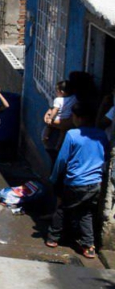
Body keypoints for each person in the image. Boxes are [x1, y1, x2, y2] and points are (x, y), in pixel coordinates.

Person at [45, 101, 109, 259]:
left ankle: (53, 237)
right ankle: (89, 246)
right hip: (94, 183)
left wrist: (54, 177)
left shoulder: (72, 135)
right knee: (85, 212)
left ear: (79, 118)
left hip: (75, 182)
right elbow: (106, 157)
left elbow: (62, 159)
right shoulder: (101, 135)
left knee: (63, 208)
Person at [42, 80, 71, 147]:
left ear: (62, 92)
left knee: (48, 127)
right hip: (66, 119)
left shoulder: (58, 100)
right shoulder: (73, 98)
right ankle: (58, 146)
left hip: (58, 119)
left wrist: (50, 118)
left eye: (57, 91)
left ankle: (44, 139)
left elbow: (55, 110)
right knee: (63, 132)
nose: (56, 92)